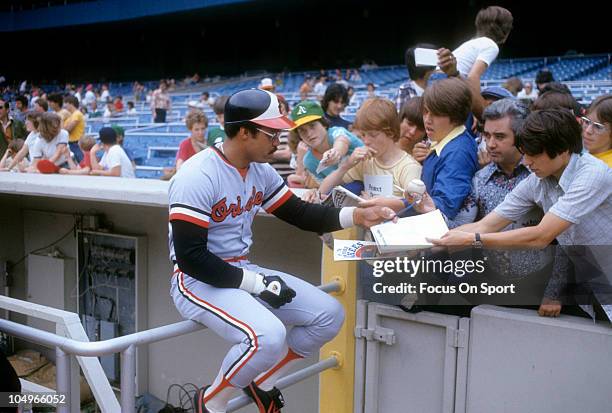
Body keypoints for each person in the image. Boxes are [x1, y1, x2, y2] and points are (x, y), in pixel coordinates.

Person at [168, 88, 395, 413]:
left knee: (329, 315)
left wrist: (357, 215)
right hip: (194, 280)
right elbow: (191, 258)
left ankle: (262, 381)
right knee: (269, 336)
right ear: (244, 132)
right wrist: (256, 284)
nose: (280, 140)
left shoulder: (260, 170)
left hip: (240, 269)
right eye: (271, 132)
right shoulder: (196, 175)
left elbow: (301, 214)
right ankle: (211, 401)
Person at [430, 109, 612, 319]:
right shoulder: (540, 180)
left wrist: (474, 241)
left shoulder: (592, 176)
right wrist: (430, 240)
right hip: (593, 286)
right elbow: (486, 225)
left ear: (563, 150)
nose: (526, 162)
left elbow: (540, 236)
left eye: (534, 155)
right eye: (525, 153)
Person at [318, 98, 422, 210]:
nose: (366, 141)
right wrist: (347, 165)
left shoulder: (408, 167)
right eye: (363, 135)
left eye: (372, 135)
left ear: (390, 132)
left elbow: (415, 206)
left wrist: (376, 203)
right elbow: (322, 192)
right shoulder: (366, 160)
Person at [403, 78, 478, 221]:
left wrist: (396, 206)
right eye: (425, 111)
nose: (427, 119)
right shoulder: (446, 142)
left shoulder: (458, 153)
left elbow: (442, 207)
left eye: (436, 114)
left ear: (455, 115)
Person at [289, 100, 363, 186]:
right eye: (302, 130)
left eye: (312, 126)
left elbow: (341, 140)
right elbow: (326, 187)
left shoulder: (337, 132)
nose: (309, 134)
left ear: (323, 124)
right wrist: (314, 192)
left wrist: (336, 152)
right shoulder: (309, 161)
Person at [581, 94, 612, 166]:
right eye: (586, 121)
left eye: (598, 126)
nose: (588, 131)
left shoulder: (606, 169)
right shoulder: (593, 157)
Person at [63, 94, 86, 163]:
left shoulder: (77, 114)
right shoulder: (71, 115)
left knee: (81, 163)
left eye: (66, 103)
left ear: (71, 104)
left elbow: (68, 129)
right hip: (71, 143)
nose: (65, 106)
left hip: (76, 143)